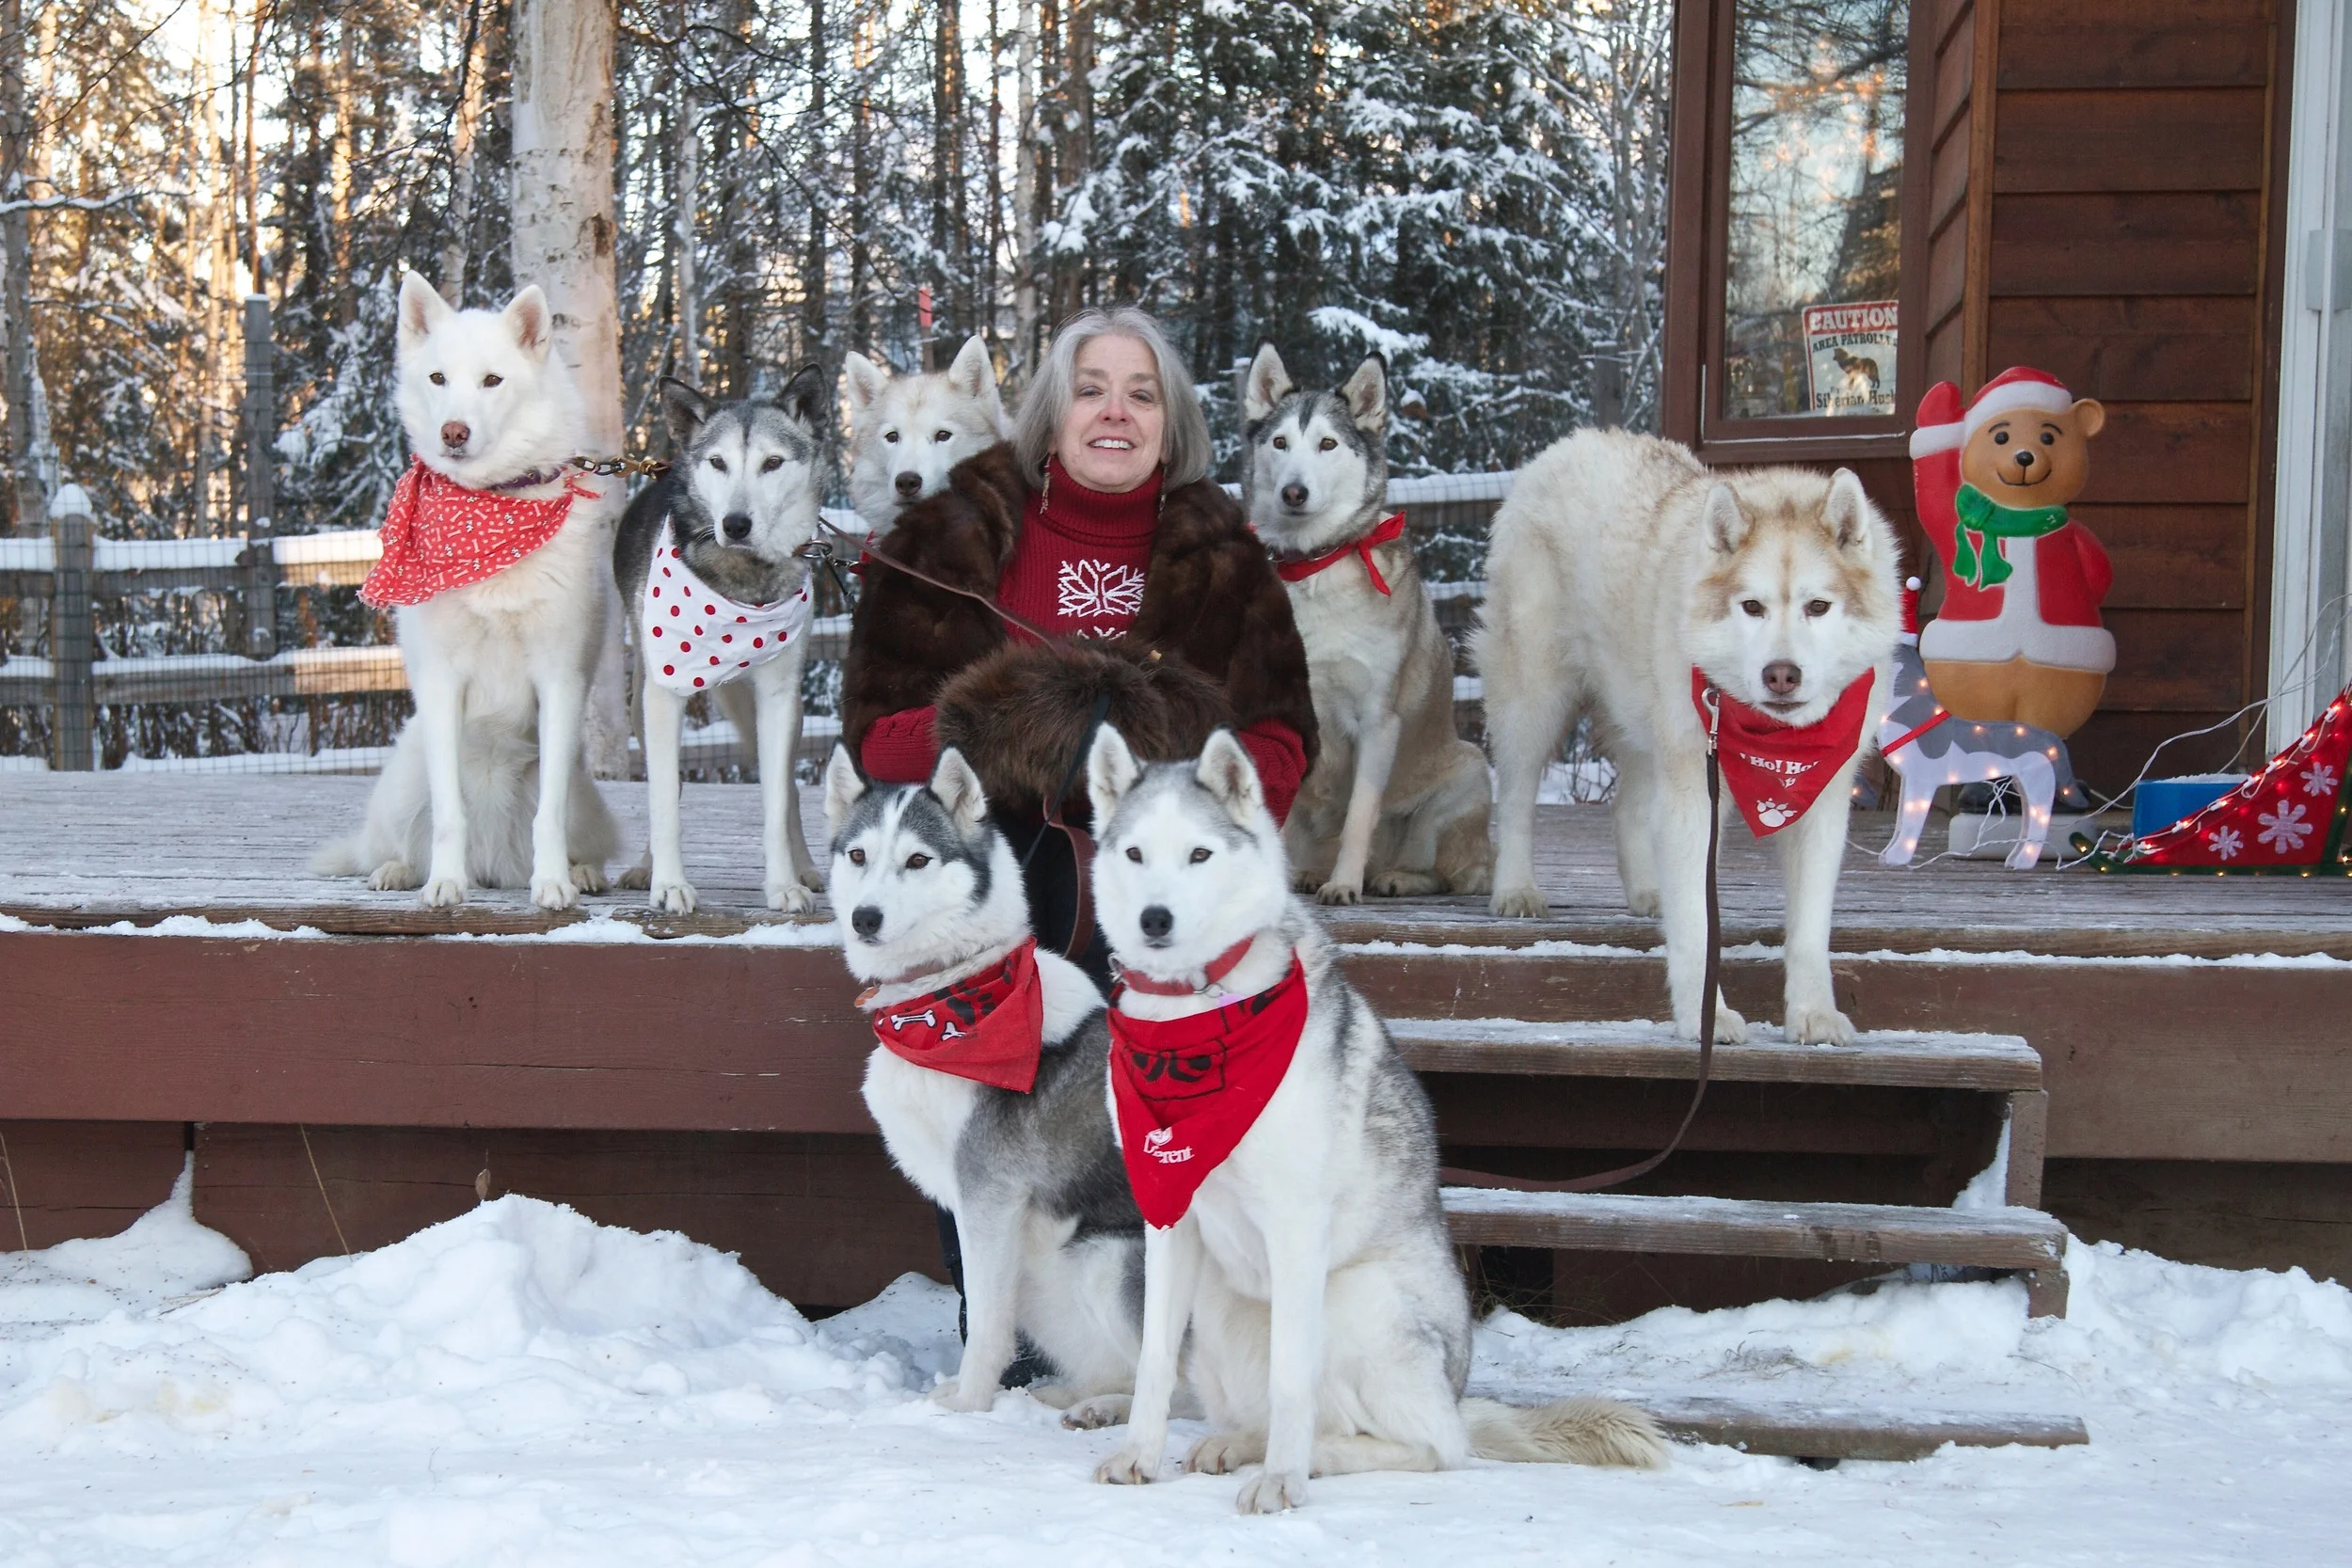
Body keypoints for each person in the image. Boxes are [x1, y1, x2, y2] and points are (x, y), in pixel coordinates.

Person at [843, 308, 1318, 982]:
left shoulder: (1225, 559)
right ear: (1051, 414)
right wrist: (1045, 723)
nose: (1116, 412)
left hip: (1176, 927)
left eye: (1142, 395)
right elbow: (880, 742)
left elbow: (1280, 752)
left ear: (1170, 423)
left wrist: (1140, 781)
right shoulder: (947, 539)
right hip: (978, 937)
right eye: (1090, 390)